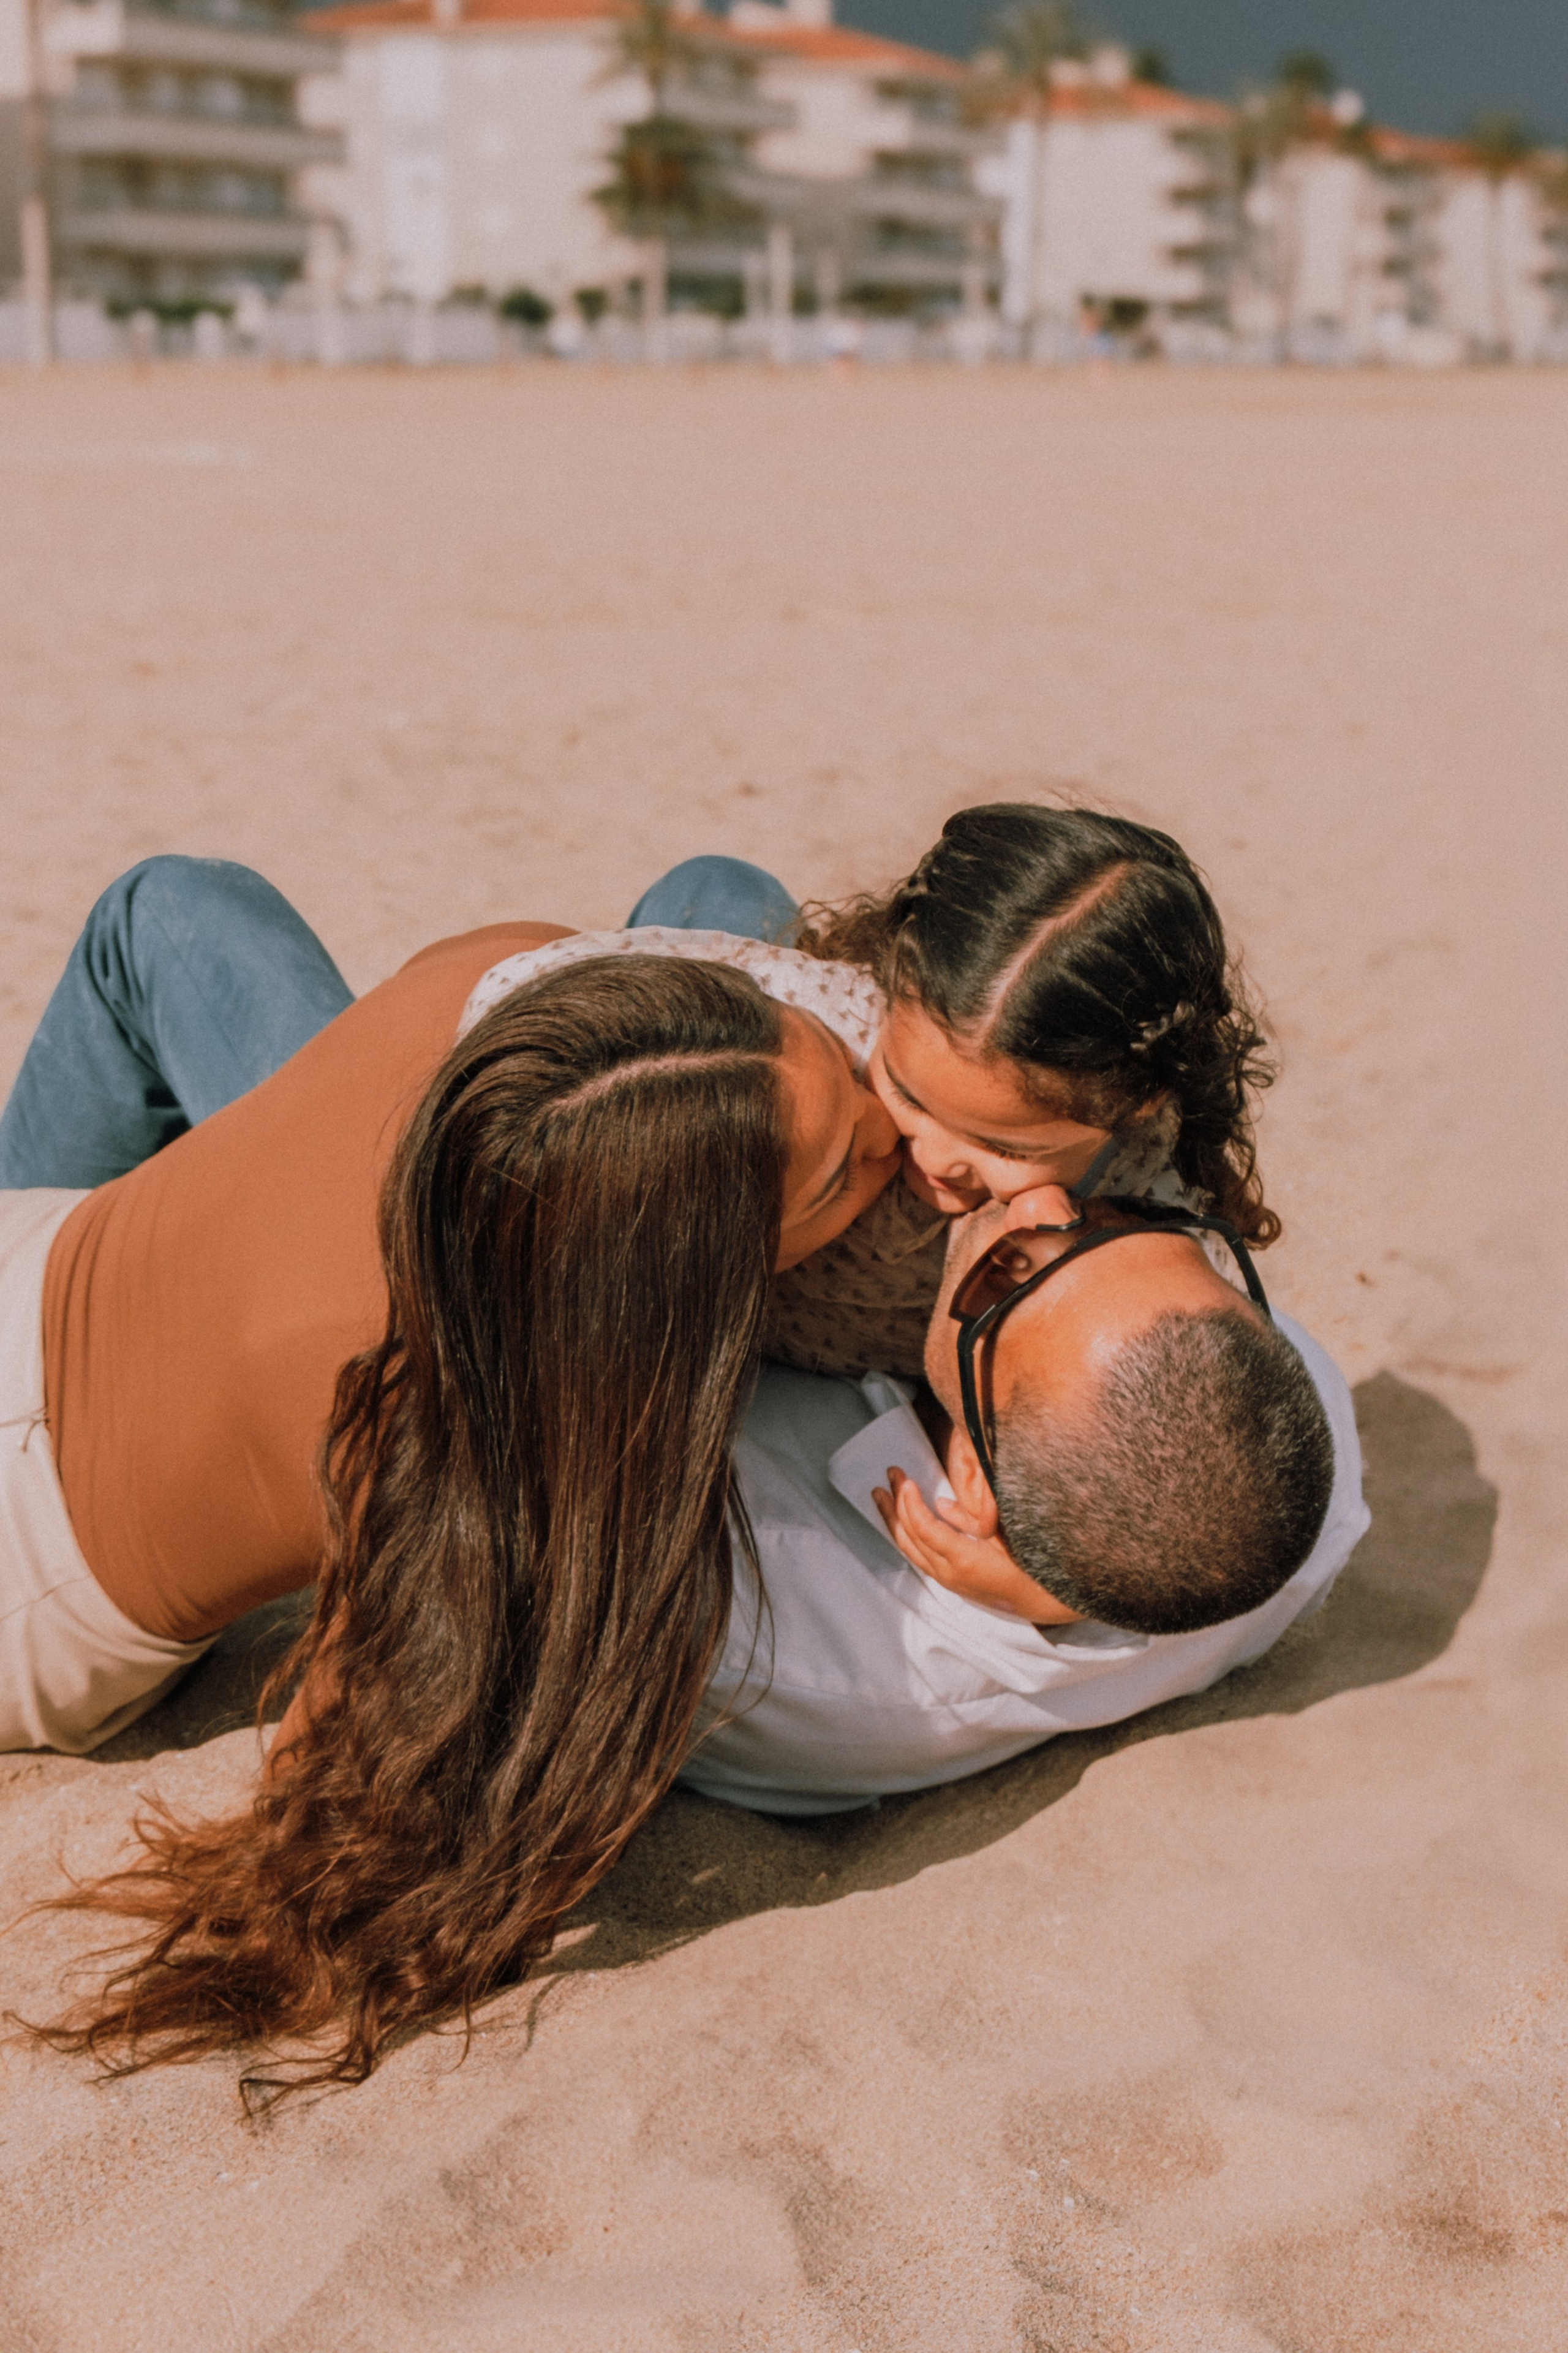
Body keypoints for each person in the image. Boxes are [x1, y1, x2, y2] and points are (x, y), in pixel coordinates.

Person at [1, 844, 1352, 2091]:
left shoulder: (506, 989)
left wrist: (1072, 1591)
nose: (896, 1168)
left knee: (163, 910)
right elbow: (349, 1799)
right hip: (37, 1406)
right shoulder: (421, 1390)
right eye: (842, 1167)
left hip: (53, 1365)